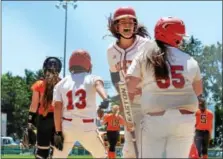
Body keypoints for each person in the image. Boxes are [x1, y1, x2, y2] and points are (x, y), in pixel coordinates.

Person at [126, 16, 203, 158]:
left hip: (155, 118)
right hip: (184, 119)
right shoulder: (189, 60)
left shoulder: (145, 55)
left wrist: (144, 88)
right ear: (175, 37)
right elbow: (198, 90)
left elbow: (129, 85)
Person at [106, 6, 151, 158]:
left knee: (145, 145)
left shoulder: (146, 45)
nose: (127, 25)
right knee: (130, 148)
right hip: (129, 104)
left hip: (148, 102)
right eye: (122, 21)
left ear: (135, 25)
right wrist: (123, 98)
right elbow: (115, 77)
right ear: (116, 26)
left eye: (131, 22)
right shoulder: (111, 51)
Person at [52, 49, 110, 158]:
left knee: (57, 157)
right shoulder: (92, 78)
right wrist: (105, 98)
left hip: (67, 126)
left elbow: (57, 108)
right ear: (88, 64)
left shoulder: (61, 83)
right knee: (102, 156)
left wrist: (58, 132)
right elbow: (98, 85)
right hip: (87, 127)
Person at [28, 57, 62, 159]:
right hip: (59, 120)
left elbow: (34, 105)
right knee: (57, 151)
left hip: (44, 119)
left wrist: (29, 123)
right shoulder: (63, 83)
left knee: (42, 152)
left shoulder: (39, 84)